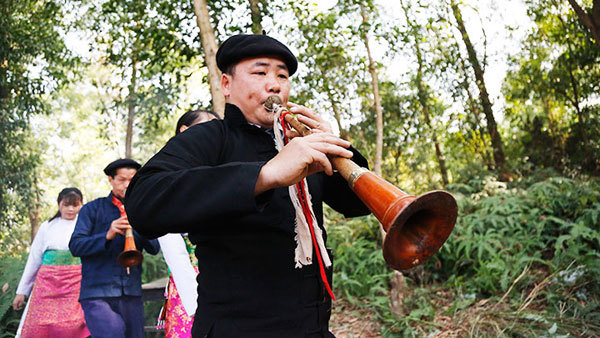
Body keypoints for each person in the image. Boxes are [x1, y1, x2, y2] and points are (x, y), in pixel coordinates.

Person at [124, 34, 371, 337]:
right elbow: (143, 202)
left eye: (282, 75)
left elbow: (358, 204)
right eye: (260, 72)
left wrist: (336, 146)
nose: (275, 84)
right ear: (226, 85)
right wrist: (264, 175)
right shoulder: (211, 138)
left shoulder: (301, 144)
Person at [69, 158, 160, 338]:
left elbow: (154, 248)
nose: (127, 185)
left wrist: (140, 225)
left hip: (131, 292)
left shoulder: (141, 210)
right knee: (113, 333)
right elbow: (76, 246)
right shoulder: (91, 209)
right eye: (122, 180)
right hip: (97, 293)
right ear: (111, 180)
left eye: (132, 180)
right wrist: (107, 234)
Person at [157, 109, 219, 337]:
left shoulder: (221, 171)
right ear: (184, 132)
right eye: (208, 128)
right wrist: (196, 303)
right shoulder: (169, 176)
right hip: (191, 284)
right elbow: (174, 250)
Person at [13, 187, 89, 338]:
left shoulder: (86, 226)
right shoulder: (47, 227)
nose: (70, 209)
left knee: (74, 325)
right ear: (59, 204)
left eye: (75, 205)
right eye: (66, 204)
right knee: (40, 324)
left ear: (81, 205)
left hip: (76, 283)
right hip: (46, 284)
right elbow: (34, 259)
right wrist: (22, 292)